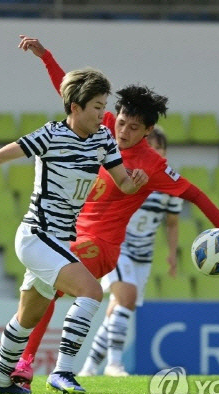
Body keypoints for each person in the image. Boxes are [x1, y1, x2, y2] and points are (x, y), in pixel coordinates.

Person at [10, 35, 219, 387]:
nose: (123, 132)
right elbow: (70, 95)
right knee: (39, 293)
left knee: (48, 289)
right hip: (70, 232)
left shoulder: (153, 165)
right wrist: (45, 56)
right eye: (121, 123)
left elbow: (197, 195)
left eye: (134, 128)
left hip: (103, 243)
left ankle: (41, 368)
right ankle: (31, 366)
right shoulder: (104, 126)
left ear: (149, 130)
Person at [0, 67, 148, 394]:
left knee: (26, 318)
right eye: (97, 106)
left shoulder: (102, 140)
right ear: (75, 108)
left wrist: (135, 183)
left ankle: (1, 383)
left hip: (58, 241)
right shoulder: (50, 136)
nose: (104, 114)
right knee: (92, 292)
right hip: (36, 235)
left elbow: (123, 183)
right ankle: (63, 372)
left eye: (104, 105)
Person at [78, 127, 183, 377]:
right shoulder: (126, 175)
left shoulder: (170, 184)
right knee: (125, 300)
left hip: (143, 255)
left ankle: (90, 366)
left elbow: (172, 222)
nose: (156, 152)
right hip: (119, 247)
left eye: (160, 148)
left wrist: (172, 253)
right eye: (152, 147)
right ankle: (114, 364)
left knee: (120, 309)